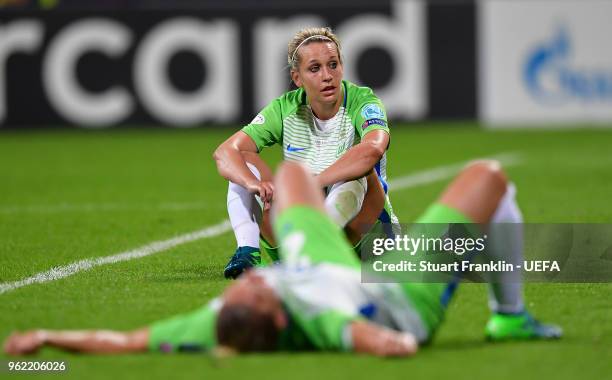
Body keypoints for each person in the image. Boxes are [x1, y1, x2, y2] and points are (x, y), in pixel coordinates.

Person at [3, 161, 561, 357]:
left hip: (323, 266)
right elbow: (365, 338)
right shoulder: (315, 313)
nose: (249, 283)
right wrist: (392, 343)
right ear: (276, 315)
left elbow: (123, 342)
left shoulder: (218, 324)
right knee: (488, 179)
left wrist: (47, 339)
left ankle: (360, 225)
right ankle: (508, 314)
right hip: (395, 297)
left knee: (292, 175)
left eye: (239, 288)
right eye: (255, 288)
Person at [213, 27, 398, 278]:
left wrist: (314, 183)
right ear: (297, 77)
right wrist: (252, 183)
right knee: (242, 159)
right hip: (302, 226)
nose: (327, 76)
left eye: (333, 65)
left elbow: (372, 149)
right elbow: (225, 152)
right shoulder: (285, 108)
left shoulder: (363, 102)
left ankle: (315, 247)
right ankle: (248, 252)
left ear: (342, 66)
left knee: (357, 171)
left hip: (366, 235)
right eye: (315, 68)